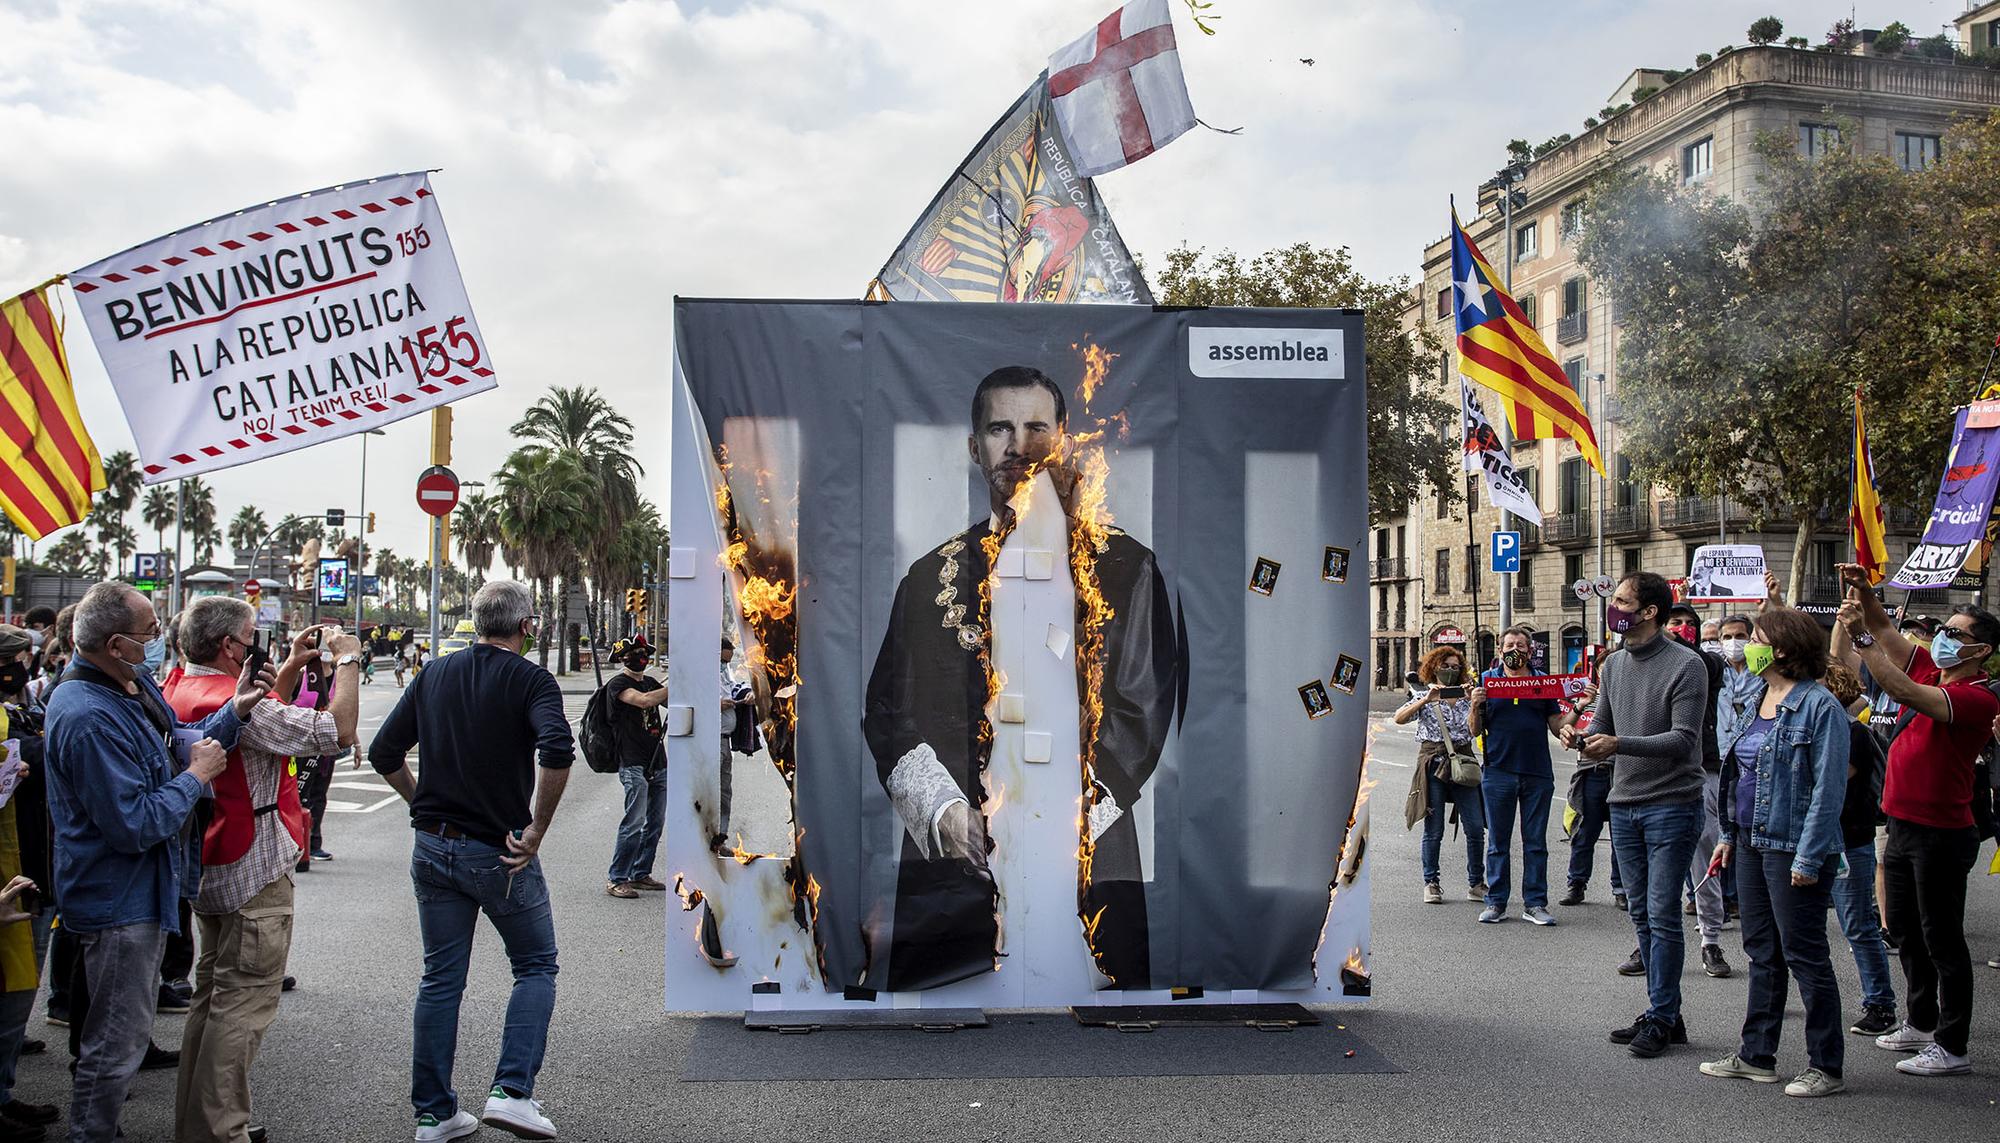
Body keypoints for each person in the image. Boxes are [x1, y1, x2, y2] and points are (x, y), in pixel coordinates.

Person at [864, 364, 1179, 992]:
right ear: (974, 445)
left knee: (1101, 1035)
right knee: (947, 1034)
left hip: (1089, 850)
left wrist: (1065, 815)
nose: (1018, 444)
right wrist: (946, 812)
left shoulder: (1124, 568)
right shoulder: (929, 581)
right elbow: (887, 714)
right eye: (1000, 428)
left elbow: (1141, 710)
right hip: (958, 864)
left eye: (1036, 427)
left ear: (1061, 439)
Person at [41, 582, 271, 1143]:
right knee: (115, 1043)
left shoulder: (127, 684)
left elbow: (173, 740)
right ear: (115, 643)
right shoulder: (88, 714)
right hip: (118, 898)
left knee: (123, 1031)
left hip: (143, 890)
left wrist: (233, 714)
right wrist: (196, 780)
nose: (158, 641)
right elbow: (134, 824)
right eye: (148, 633)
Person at [369, 580, 572, 1141]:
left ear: (478, 622)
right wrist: (535, 830)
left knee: (440, 977)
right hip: (499, 853)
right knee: (534, 966)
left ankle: (434, 1114)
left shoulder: (433, 672)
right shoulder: (532, 679)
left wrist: (423, 806)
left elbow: (382, 751)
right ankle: (512, 1092)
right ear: (527, 626)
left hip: (432, 847)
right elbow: (557, 751)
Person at [162, 603, 360, 1143]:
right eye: (252, 637)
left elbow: (262, 716)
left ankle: (198, 1125)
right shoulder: (236, 702)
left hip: (214, 858)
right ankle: (223, 1130)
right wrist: (348, 661)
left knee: (211, 996)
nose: (259, 645)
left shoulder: (178, 686)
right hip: (255, 864)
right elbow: (338, 730)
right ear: (229, 646)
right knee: (243, 1006)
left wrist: (293, 666)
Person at [1834, 565, 1995, 1078]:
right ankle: (1921, 1021)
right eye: (1944, 630)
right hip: (1902, 825)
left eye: (1957, 634)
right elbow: (1886, 631)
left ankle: (1952, 1044)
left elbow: (1900, 689)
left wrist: (1859, 639)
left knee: (1942, 937)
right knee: (1904, 928)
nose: (1945, 638)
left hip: (1942, 832)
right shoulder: (1932, 666)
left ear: (1981, 651)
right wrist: (1863, 593)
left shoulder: (1978, 696)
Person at [1700, 606, 1849, 1097]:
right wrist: (1727, 836)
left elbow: (1828, 793)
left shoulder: (1819, 707)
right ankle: (1756, 1055)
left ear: (1782, 648)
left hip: (1792, 847)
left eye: (1755, 638)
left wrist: (1808, 859)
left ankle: (1825, 1066)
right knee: (1762, 951)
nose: (1745, 647)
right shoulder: (1759, 696)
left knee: (1805, 955)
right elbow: (1738, 777)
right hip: (1747, 842)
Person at [1562, 571, 1708, 1059]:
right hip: (1624, 804)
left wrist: (1620, 744)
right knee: (1643, 914)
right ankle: (1665, 1011)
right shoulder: (1615, 664)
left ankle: (1662, 1017)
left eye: (1622, 600)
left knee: (1663, 914)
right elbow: (1602, 721)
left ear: (1649, 612)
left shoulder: (1687, 666)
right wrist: (1579, 736)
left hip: (1672, 803)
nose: (1614, 606)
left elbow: (1685, 740)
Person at [1469, 626, 1584, 925]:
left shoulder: (1542, 684)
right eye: (1509, 644)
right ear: (1500, 650)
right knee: (1498, 842)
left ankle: (1535, 903)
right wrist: (1475, 705)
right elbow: (1473, 730)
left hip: (1537, 773)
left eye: (1521, 644)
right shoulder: (1486, 682)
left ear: (1530, 651)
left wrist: (1578, 708)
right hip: (1498, 771)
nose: (1515, 649)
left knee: (1535, 842)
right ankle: (1496, 902)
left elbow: (1558, 726)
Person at [0, 627, 60, 1139]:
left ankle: (4, 1090)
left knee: (20, 994)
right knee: (9, 996)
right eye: (21, 658)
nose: (27, 667)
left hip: (32, 869)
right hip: (12, 875)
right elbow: (42, 755)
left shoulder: (23, 711)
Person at [1819, 661, 1899, 1038]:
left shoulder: (1851, 733)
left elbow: (1827, 781)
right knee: (1801, 926)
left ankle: (1880, 1003)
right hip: (1816, 840)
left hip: (1849, 840)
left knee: (1858, 926)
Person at [1667, 603, 1733, 979]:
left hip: (1704, 770)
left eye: (1690, 624)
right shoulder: (1641, 662)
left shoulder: (1707, 664)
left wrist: (1682, 645)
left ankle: (1710, 939)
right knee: (1658, 870)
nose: (1684, 628)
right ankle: (1650, 942)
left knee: (1705, 857)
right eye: (1676, 622)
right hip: (1660, 775)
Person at [1397, 645, 1484, 905]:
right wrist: (1425, 699)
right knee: (1433, 829)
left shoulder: (1467, 697)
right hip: (1433, 763)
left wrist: (1474, 704)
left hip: (1463, 762)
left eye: (1455, 667)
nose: (1449, 671)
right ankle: (1431, 882)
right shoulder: (1425, 694)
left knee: (1476, 827)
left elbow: (1476, 731)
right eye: (1444, 666)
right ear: (1433, 667)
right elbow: (1399, 718)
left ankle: (1476, 883)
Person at [604, 636, 669, 899]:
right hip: (632, 762)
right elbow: (643, 701)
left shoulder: (652, 682)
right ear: (623, 657)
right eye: (636, 652)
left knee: (655, 822)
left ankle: (641, 873)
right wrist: (675, 684)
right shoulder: (618, 684)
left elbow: (668, 700)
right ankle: (617, 877)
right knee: (634, 821)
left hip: (657, 760)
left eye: (644, 652)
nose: (641, 656)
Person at [1562, 650, 1623, 909]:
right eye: (1603, 667)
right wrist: (1580, 706)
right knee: (1584, 833)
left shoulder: (1629, 695)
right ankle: (1576, 884)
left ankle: (1621, 889)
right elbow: (1564, 728)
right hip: (1591, 773)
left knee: (1621, 836)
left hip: (1621, 773)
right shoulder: (1586, 697)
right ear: (1597, 671)